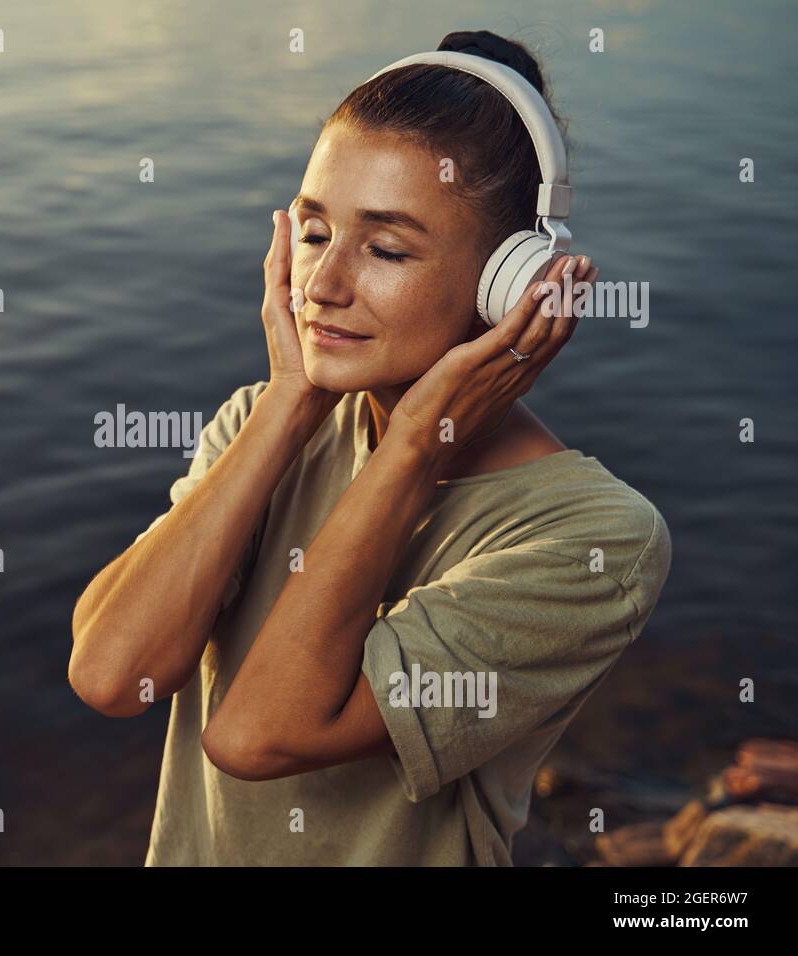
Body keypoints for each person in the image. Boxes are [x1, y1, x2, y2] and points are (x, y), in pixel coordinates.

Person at [68, 30, 672, 866]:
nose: (322, 286)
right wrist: (288, 401)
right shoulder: (261, 423)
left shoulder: (594, 540)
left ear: (512, 283)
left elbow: (258, 735)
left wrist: (414, 448)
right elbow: (110, 673)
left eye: (386, 248)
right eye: (314, 233)